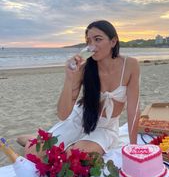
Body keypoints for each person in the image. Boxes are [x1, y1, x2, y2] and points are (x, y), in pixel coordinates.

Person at [24, 20, 140, 156]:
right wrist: (69, 77)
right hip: (80, 118)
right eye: (89, 41)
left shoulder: (130, 65)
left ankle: (39, 138)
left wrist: (134, 147)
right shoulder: (84, 68)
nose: (92, 46)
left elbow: (133, 109)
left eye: (97, 39)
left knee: (74, 155)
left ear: (113, 42)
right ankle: (28, 139)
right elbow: (63, 115)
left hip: (105, 127)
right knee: (34, 153)